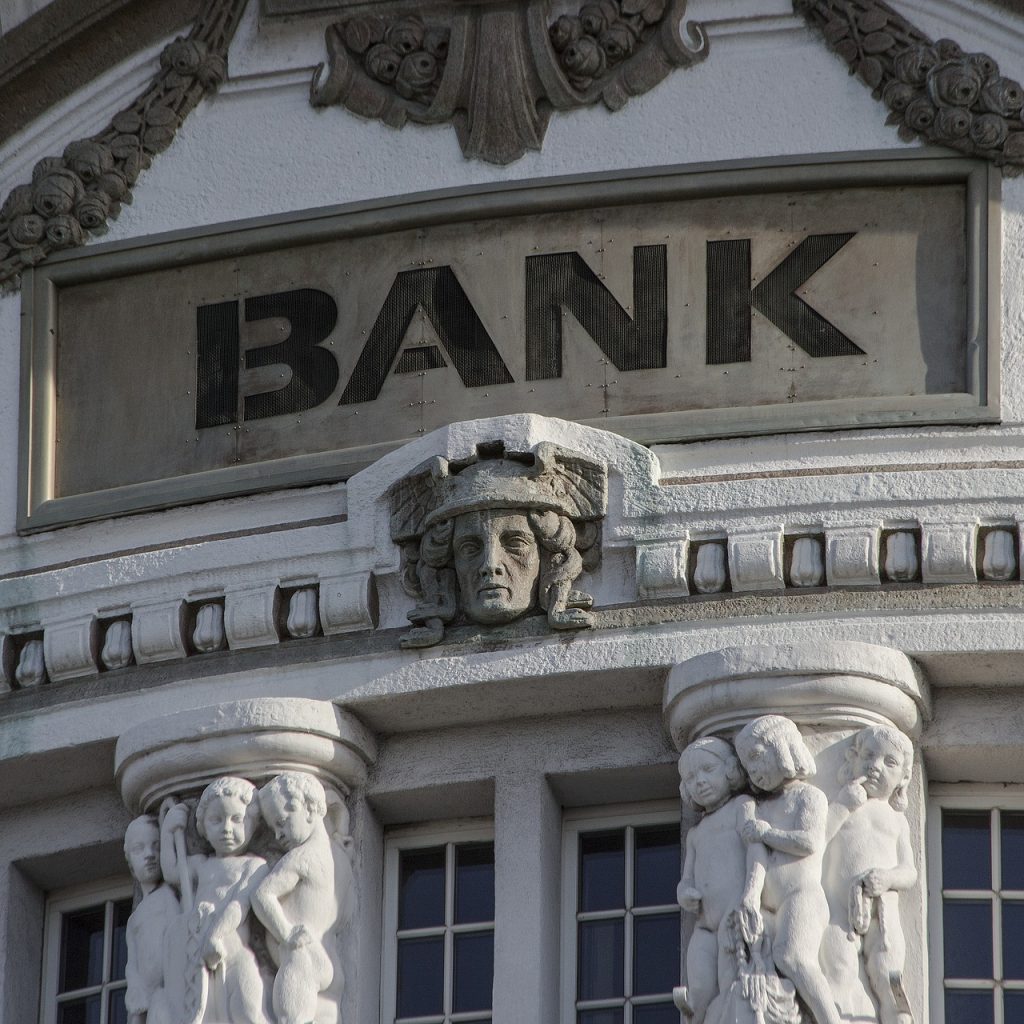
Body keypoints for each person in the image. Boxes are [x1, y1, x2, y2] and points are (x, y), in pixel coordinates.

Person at [734, 715, 840, 1024]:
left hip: (802, 895)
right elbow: (757, 857)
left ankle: (830, 1018)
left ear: (782, 749)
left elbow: (808, 841)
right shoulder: (763, 807)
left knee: (792, 956)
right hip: (771, 906)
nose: (753, 771)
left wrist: (766, 833)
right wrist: (750, 896)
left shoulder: (809, 796)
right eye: (747, 765)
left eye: (757, 758)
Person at [822, 725, 917, 1024]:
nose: (875, 766)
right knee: (839, 970)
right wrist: (842, 806)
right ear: (853, 758)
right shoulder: (842, 804)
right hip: (837, 908)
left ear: (903, 777)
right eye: (869, 756)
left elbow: (909, 871)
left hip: (882, 910)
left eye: (889, 762)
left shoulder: (897, 820)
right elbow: (818, 840)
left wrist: (887, 878)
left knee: (886, 970)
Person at [161, 777, 272, 1024]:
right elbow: (170, 872)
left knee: (249, 1010)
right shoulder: (202, 865)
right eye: (216, 820)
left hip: (233, 952)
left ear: (253, 824)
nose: (226, 828)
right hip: (197, 955)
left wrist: (216, 935)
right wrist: (168, 831)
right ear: (202, 826)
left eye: (237, 819)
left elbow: (239, 905)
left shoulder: (254, 866)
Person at [253, 772, 356, 1024]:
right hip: (328, 958)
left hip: (301, 959)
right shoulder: (339, 855)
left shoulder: (302, 857)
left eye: (282, 822)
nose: (277, 835)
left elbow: (261, 894)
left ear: (308, 809)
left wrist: (286, 934)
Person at [674, 737, 750, 1024]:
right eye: (691, 778)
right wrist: (684, 893)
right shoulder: (696, 834)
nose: (700, 782)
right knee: (700, 992)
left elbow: (757, 854)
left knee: (733, 992)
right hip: (705, 927)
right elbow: (686, 880)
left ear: (730, 770)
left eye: (707, 769)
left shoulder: (742, 806)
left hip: (733, 922)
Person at [124, 815, 180, 1024]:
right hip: (145, 997)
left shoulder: (168, 895)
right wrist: (135, 987)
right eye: (139, 849)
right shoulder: (134, 918)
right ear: (129, 862)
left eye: (156, 847)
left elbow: (178, 934)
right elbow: (132, 962)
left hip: (166, 993)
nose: (149, 855)